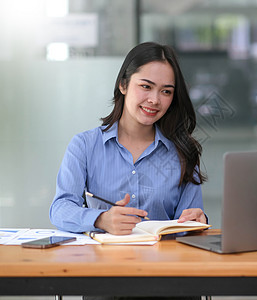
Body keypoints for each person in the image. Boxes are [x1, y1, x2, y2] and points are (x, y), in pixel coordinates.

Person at [50, 42, 207, 238]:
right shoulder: (85, 145)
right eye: (146, 86)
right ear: (123, 85)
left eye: (166, 91)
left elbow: (189, 226)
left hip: (162, 265)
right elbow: (60, 209)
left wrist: (197, 221)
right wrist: (101, 219)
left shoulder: (183, 153)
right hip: (103, 264)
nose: (155, 100)